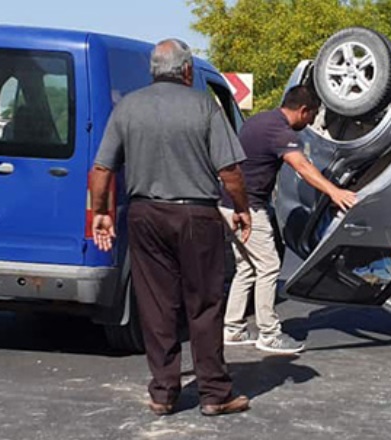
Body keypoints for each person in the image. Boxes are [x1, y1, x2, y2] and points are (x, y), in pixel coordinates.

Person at [89, 39, 252, 417]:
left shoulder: (128, 107)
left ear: (153, 70)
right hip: (196, 216)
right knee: (204, 304)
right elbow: (230, 171)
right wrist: (241, 208)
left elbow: (101, 169)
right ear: (188, 70)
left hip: (145, 214)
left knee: (156, 304)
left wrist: (101, 211)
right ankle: (214, 393)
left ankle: (163, 392)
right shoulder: (203, 106)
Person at [220, 85, 357, 354]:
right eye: (312, 115)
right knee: (269, 266)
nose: (311, 123)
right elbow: (303, 166)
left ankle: (233, 328)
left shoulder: (259, 119)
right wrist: (335, 191)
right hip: (248, 208)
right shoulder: (278, 130)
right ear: (303, 110)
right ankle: (269, 334)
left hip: (228, 204)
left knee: (247, 268)